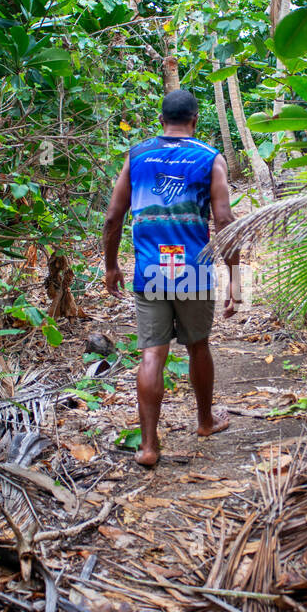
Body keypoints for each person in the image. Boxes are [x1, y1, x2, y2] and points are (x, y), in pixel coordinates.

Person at [102, 89, 240, 467]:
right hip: (192, 271)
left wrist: (111, 264)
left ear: (161, 120)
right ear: (195, 120)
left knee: (152, 354)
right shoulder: (210, 158)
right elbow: (225, 222)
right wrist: (235, 279)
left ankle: (148, 447)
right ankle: (205, 422)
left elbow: (113, 218)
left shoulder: (137, 156)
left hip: (151, 270)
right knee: (198, 345)